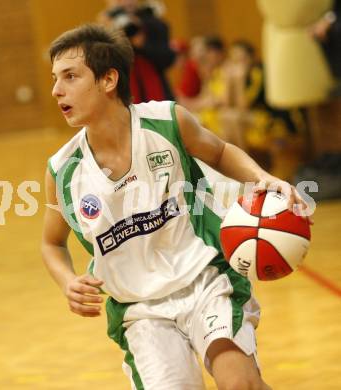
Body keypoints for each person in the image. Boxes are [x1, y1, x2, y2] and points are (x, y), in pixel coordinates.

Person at [42, 23, 309, 390]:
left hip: (206, 279)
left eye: (70, 76)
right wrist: (68, 281)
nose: (56, 90)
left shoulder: (166, 122)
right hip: (140, 310)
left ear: (108, 80)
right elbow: (51, 243)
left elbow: (220, 151)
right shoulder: (62, 170)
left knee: (240, 382)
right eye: (55, 78)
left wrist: (264, 178)